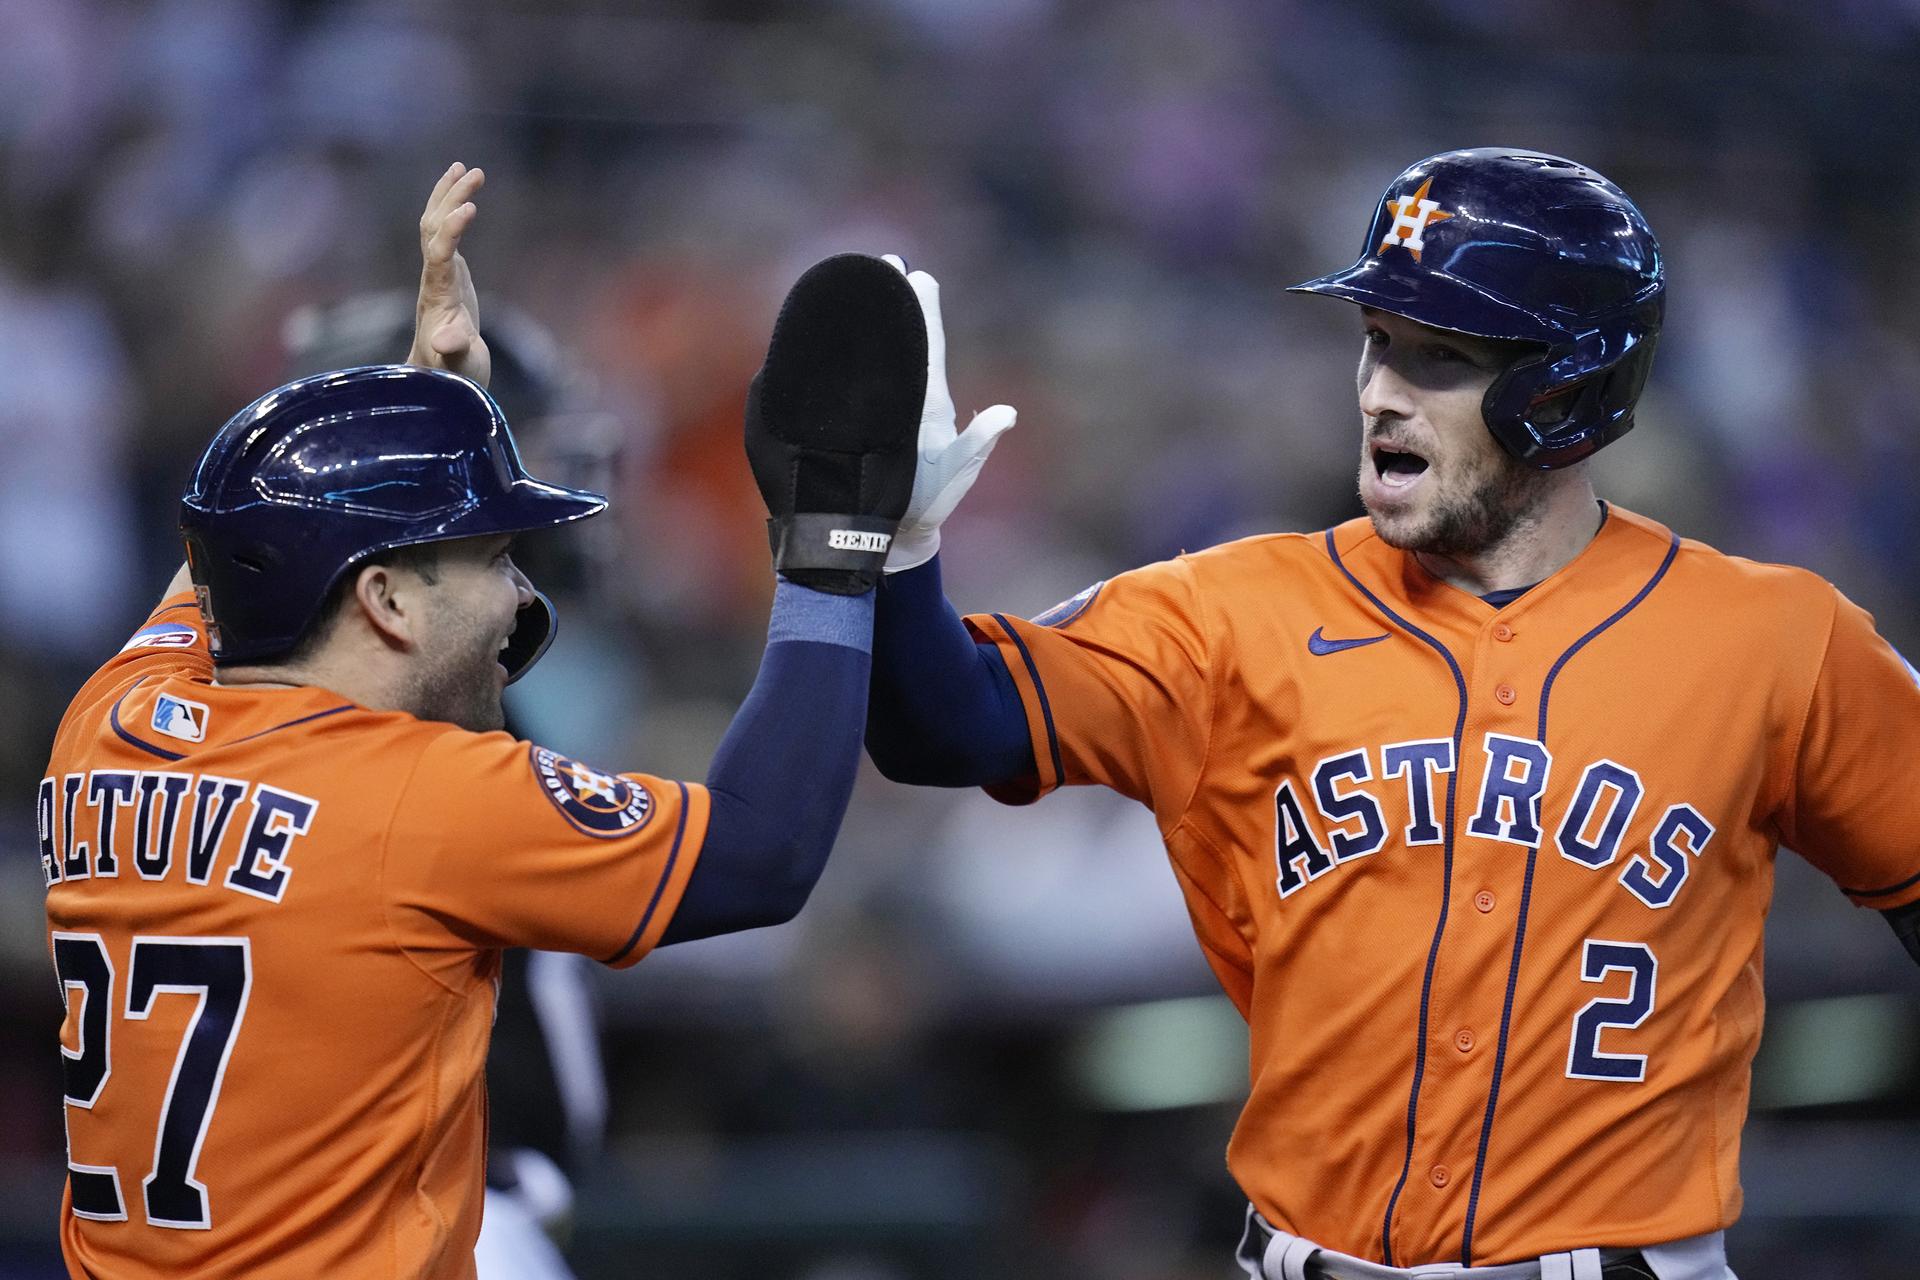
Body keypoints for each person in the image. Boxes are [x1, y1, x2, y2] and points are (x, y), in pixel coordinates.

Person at [862, 148, 1920, 1280]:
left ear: (1564, 388)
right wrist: (895, 555)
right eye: (1375, 341)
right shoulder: (1231, 613)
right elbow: (945, 726)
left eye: (1439, 358)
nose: (1379, 391)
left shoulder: (1776, 639)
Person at [39, 161, 929, 1278]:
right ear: (386, 600)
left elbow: (242, 556)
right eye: (494, 558)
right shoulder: (418, 796)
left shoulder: (110, 716)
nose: (520, 593)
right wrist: (833, 550)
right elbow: (767, 846)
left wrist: (416, 394)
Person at [281, 287, 630, 1280]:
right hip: (418, 1225)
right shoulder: (405, 723)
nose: (553, 473)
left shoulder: (262, 700)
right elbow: (755, 856)